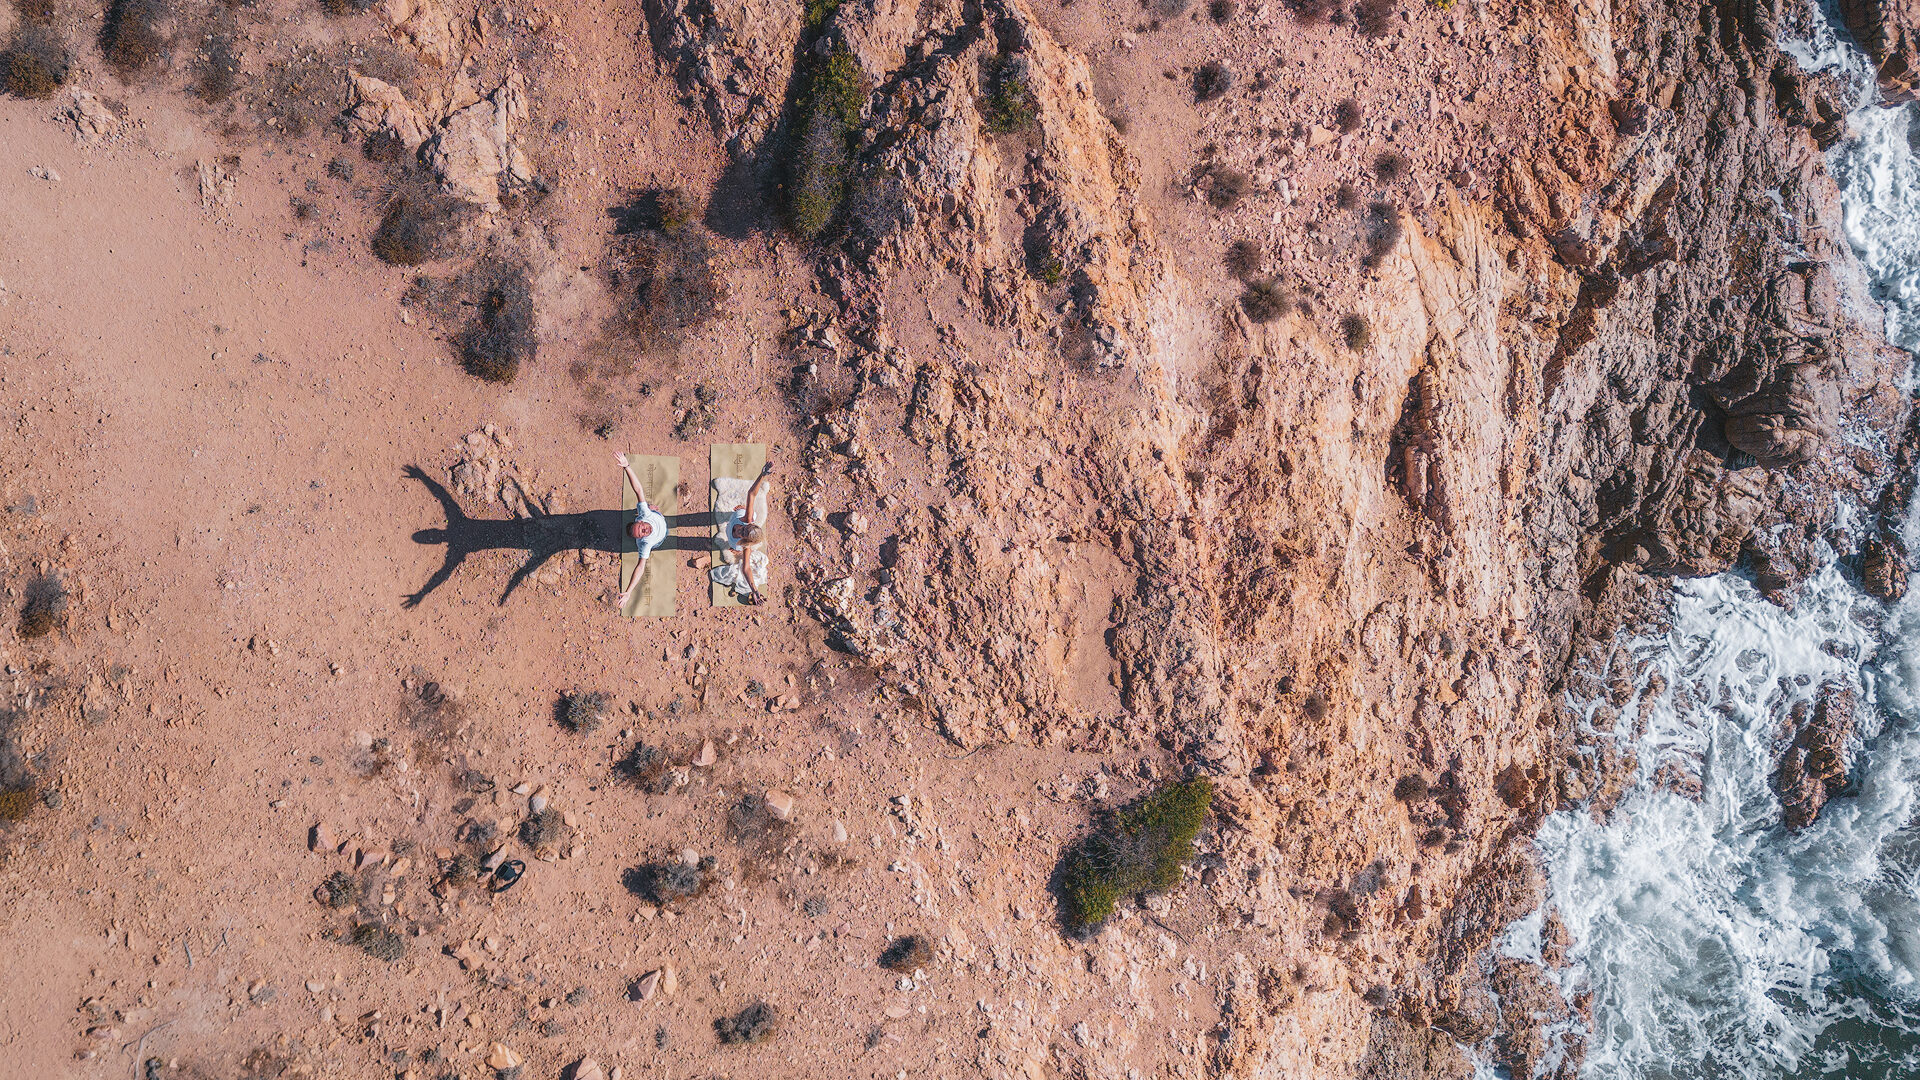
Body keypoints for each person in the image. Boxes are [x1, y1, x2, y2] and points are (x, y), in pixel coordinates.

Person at [616, 452, 670, 610]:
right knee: (653, 543)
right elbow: (640, 568)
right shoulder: (645, 543)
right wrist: (628, 592)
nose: (645, 530)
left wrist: (627, 466)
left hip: (658, 516)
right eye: (642, 534)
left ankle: (653, 510)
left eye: (642, 528)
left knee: (649, 507)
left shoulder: (645, 515)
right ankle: (654, 512)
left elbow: (638, 489)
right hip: (661, 538)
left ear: (640, 520)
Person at [716, 461, 773, 604]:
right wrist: (762, 475)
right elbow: (751, 493)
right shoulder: (746, 519)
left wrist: (755, 591)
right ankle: (744, 511)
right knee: (745, 511)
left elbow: (746, 568)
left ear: (745, 541)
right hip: (741, 515)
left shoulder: (743, 546)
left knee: (734, 548)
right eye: (745, 528)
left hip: (738, 542)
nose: (741, 528)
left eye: (743, 532)